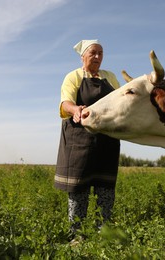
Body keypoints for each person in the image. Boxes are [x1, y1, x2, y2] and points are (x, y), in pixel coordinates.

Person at [54, 39, 121, 240]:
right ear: (83, 56)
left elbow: (120, 99)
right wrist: (76, 110)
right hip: (79, 140)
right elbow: (65, 102)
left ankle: (104, 235)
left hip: (106, 140)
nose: (98, 57)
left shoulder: (109, 77)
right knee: (78, 190)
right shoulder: (73, 77)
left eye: (101, 53)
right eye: (93, 53)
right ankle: (77, 236)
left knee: (106, 191)